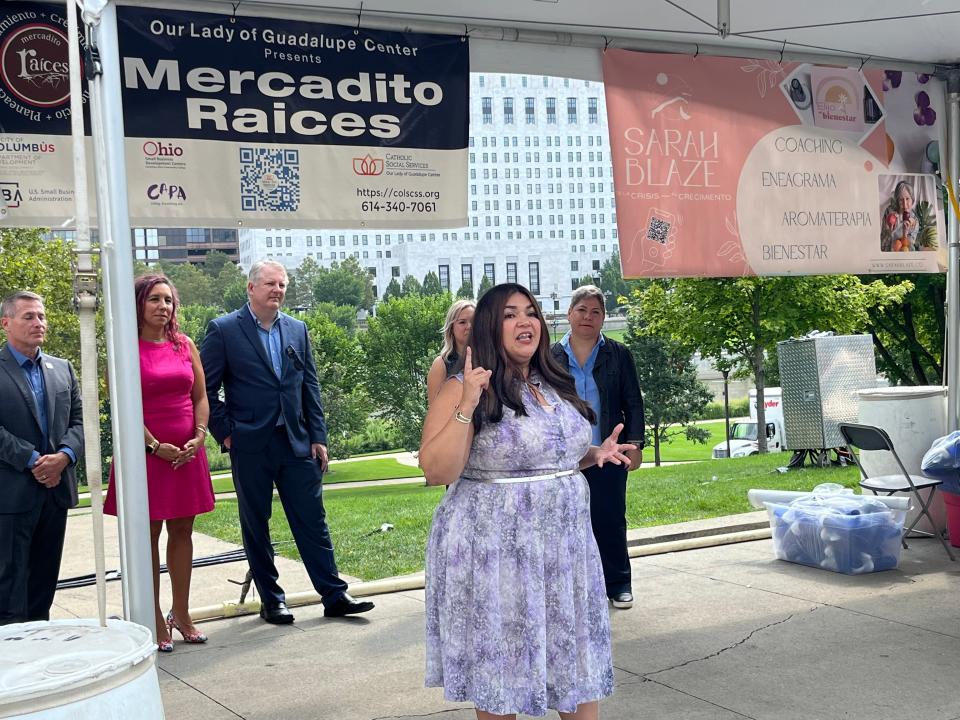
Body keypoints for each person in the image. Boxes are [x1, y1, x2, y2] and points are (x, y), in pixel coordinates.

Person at [421, 282, 635, 719]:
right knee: (504, 670)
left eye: (531, 312)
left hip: (565, 552)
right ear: (487, 329)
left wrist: (594, 453)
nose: (525, 322)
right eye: (509, 315)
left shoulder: (551, 381)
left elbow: (546, 450)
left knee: (575, 667)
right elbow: (437, 470)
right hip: (496, 553)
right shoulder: (462, 389)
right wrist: (466, 403)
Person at [200, 259, 373, 624]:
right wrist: (228, 433)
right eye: (269, 284)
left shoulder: (297, 330)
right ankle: (272, 599)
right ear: (251, 288)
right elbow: (205, 390)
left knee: (313, 520)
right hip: (250, 445)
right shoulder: (224, 330)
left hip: (296, 443)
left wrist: (318, 437)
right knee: (256, 524)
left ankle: (334, 595)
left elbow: (310, 386)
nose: (277, 290)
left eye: (282, 284)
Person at [104, 275, 215, 651]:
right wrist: (152, 445)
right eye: (154, 299)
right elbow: (120, 407)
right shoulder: (124, 348)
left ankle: (181, 614)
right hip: (145, 455)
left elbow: (201, 395)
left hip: (186, 454)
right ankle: (152, 618)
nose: (163, 307)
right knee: (148, 536)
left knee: (183, 532)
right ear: (138, 303)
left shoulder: (184, 345)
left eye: (168, 300)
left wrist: (199, 436)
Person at [551, 286, 645, 611]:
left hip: (610, 451)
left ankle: (618, 584)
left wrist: (636, 444)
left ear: (603, 318)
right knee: (567, 523)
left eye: (595, 312)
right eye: (582, 310)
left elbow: (633, 401)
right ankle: (575, 589)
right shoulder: (550, 357)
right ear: (569, 314)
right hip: (565, 458)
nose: (588, 317)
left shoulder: (618, 354)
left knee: (610, 519)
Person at [0, 291, 83, 625]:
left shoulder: (62, 369)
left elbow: (80, 422)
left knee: (44, 584)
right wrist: (34, 460)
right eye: (29, 317)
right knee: (9, 585)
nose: (39, 323)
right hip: (12, 495)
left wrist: (63, 456)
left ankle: (40, 650)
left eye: (42, 316)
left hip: (55, 492)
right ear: (6, 323)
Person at [426, 299, 475, 406]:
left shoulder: (490, 360)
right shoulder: (441, 364)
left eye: (473, 321)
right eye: (462, 322)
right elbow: (435, 414)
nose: (469, 326)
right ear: (451, 328)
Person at [881, 180, 919, 252]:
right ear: (897, 201)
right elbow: (882, 243)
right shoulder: (889, 212)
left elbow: (909, 247)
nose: (905, 204)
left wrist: (905, 233)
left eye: (907, 199)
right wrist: (889, 232)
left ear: (912, 200)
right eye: (901, 200)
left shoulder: (914, 220)